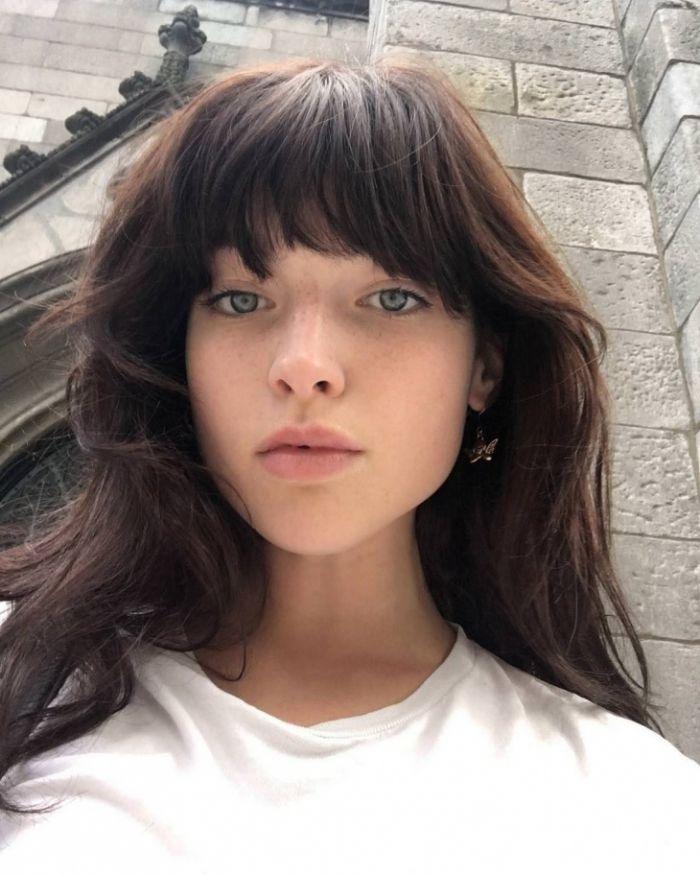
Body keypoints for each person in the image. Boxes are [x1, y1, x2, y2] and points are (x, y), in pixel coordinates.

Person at [0, 57, 697, 874]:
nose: (305, 366)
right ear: (176, 352)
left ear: (484, 366)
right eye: (239, 298)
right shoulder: (29, 677)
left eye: (393, 298)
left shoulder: (638, 809)